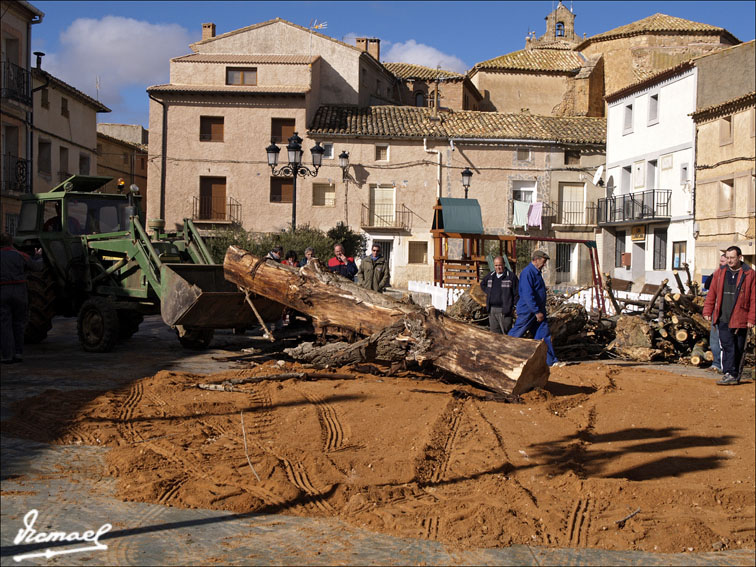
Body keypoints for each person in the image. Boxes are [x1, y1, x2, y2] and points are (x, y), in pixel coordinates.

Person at [703, 245, 755, 385]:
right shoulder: (720, 273)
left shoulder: (749, 274)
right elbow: (712, 293)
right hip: (722, 316)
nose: (730, 261)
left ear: (740, 257)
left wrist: (751, 318)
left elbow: (754, 298)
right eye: (728, 258)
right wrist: (708, 311)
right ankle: (729, 373)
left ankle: (735, 374)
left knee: (738, 347)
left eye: (732, 258)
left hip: (740, 316)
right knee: (727, 346)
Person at [508, 249, 559, 366]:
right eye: (543, 261)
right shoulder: (528, 272)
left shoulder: (536, 272)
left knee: (544, 335)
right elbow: (527, 294)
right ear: (536, 260)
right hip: (528, 311)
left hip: (538, 310)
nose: (544, 264)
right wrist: (536, 311)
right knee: (516, 334)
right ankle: (504, 354)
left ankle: (550, 361)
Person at [1, 232, 44, 364]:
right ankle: (19, 353)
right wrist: (38, 256)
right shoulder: (20, 255)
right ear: (11, 242)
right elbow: (37, 267)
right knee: (19, 323)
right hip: (20, 292)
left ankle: (7, 355)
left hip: (2, 291)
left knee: (4, 324)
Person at [480, 255, 519, 334]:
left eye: (500, 265)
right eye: (496, 265)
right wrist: (489, 291)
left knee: (506, 334)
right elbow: (482, 284)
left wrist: (514, 307)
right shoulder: (491, 275)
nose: (498, 267)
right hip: (492, 310)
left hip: (505, 311)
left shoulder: (511, 276)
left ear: (504, 264)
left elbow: (517, 293)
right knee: (494, 336)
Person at [705, 252, 728, 372]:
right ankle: (716, 363)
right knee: (714, 339)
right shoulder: (717, 274)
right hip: (717, 311)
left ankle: (727, 367)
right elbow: (709, 287)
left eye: (723, 262)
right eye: (720, 262)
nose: (721, 264)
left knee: (726, 340)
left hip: (730, 313)